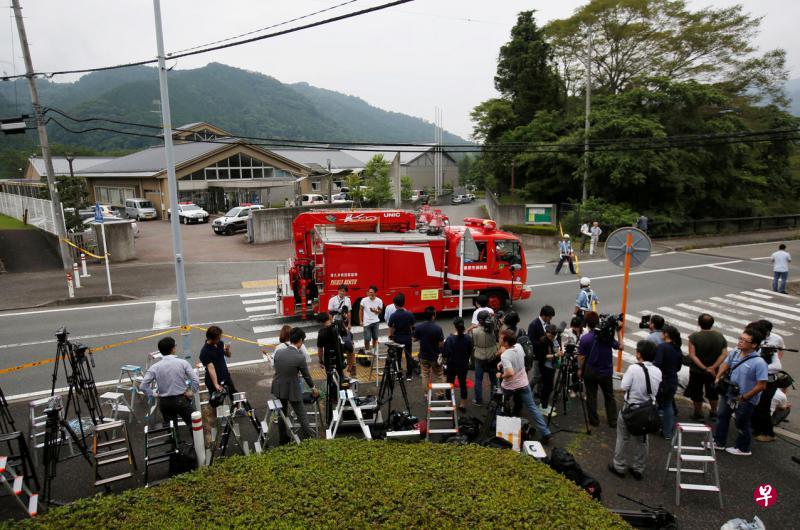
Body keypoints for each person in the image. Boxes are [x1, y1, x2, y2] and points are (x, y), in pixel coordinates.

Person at [609, 340, 662, 481]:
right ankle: (638, 468)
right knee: (643, 440)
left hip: (630, 409)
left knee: (623, 438)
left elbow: (624, 386)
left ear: (639, 354)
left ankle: (619, 466)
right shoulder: (658, 371)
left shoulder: (633, 368)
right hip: (647, 411)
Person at [712, 326, 769, 456]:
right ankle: (718, 442)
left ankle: (744, 448)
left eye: (744, 340)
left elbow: (761, 386)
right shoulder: (735, 352)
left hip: (745, 398)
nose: (740, 342)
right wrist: (718, 376)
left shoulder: (759, 362)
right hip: (729, 392)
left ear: (754, 344)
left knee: (742, 422)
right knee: (721, 416)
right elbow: (726, 364)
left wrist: (744, 397)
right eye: (740, 338)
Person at [496, 329, 553, 444]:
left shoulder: (505, 355)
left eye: (501, 338)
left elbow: (510, 372)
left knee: (499, 402)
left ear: (506, 342)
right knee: (533, 408)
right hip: (523, 383)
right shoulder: (518, 346)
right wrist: (503, 364)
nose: (499, 339)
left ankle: (501, 426)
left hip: (510, 386)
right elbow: (517, 358)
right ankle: (546, 433)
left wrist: (501, 374)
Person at [271, 328, 319, 444]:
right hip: (292, 388)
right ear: (301, 340)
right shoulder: (299, 357)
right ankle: (312, 438)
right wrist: (313, 388)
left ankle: (283, 439)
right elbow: (306, 376)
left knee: (282, 414)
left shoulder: (279, 352)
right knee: (301, 414)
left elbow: (276, 366)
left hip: (278, 386)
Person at [141, 337, 199, 429]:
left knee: (171, 428)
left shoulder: (154, 367)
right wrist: (192, 391)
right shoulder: (183, 363)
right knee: (194, 424)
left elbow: (143, 386)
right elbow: (195, 379)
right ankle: (196, 442)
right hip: (181, 399)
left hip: (165, 402)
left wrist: (154, 394)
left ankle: (175, 442)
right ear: (173, 349)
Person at [578, 311, 620, 428]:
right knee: (609, 396)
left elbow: (581, 357)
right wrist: (618, 331)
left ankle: (594, 421)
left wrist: (580, 369)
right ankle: (613, 421)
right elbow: (620, 346)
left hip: (590, 371)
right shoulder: (607, 336)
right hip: (606, 372)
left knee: (591, 396)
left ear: (587, 324)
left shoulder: (585, 338)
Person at [687, 314, 728, 421]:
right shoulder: (720, 336)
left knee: (697, 392)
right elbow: (724, 354)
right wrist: (713, 367)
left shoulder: (694, 337)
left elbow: (692, 355)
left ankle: (698, 413)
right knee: (712, 391)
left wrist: (704, 368)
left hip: (697, 371)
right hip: (714, 372)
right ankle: (714, 412)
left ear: (699, 323)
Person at [751, 320, 783, 442]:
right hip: (757, 379)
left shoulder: (771, 347)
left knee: (763, 407)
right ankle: (755, 427)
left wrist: (758, 369)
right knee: (756, 405)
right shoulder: (757, 343)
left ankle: (769, 433)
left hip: (768, 381)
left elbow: (777, 366)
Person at [654, 325, 682, 440]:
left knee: (656, 404)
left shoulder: (662, 347)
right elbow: (679, 367)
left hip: (662, 381)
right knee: (668, 405)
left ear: (666, 334)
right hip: (672, 380)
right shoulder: (677, 348)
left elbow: (657, 363)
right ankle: (667, 432)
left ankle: (653, 426)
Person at [414, 306, 445, 396]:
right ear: (433, 315)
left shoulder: (419, 327)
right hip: (435, 356)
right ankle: (440, 393)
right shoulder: (438, 328)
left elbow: (414, 339)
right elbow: (441, 344)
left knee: (425, 375)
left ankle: (426, 394)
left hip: (423, 356)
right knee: (439, 375)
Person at [444, 317, 473, 411]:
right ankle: (462, 404)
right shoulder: (468, 338)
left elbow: (446, 353)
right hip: (463, 364)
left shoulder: (450, 338)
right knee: (462, 383)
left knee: (449, 383)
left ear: (455, 326)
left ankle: (449, 404)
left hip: (452, 364)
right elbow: (470, 351)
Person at [199, 325, 236, 397]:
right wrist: (216, 384)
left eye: (220, 338)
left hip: (225, 376)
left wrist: (227, 350)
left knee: (234, 396)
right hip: (213, 380)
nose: (219, 340)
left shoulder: (220, 343)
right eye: (217, 338)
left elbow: (228, 355)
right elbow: (211, 368)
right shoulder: (204, 351)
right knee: (217, 401)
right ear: (210, 338)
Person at [471, 309, 498, 406]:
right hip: (492, 356)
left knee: (478, 379)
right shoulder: (494, 330)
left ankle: (478, 400)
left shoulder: (475, 331)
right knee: (493, 380)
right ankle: (493, 400)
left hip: (479, 356)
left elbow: (473, 343)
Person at [527, 305, 555, 396]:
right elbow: (531, 341)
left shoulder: (548, 323)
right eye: (549, 317)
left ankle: (539, 393)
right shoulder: (534, 325)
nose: (550, 319)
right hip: (537, 355)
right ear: (543, 315)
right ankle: (526, 392)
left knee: (542, 376)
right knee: (536, 376)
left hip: (545, 354)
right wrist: (542, 340)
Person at [387, 294, 415, 381]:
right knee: (408, 356)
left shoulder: (393, 315)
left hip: (397, 339)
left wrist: (391, 336)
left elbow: (391, 327)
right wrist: (412, 335)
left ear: (395, 305)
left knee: (398, 357)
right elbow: (413, 326)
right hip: (407, 339)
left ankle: (399, 375)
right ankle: (409, 375)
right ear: (404, 303)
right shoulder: (409, 314)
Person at [534, 324, 561, 414]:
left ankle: (544, 404)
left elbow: (556, 349)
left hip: (552, 366)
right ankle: (543, 406)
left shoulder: (554, 340)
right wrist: (555, 355)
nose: (551, 337)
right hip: (546, 367)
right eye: (549, 335)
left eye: (553, 336)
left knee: (549, 387)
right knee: (547, 387)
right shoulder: (543, 342)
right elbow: (543, 356)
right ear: (546, 333)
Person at [359, 286, 383, 356]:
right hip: (367, 322)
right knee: (367, 338)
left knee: (375, 337)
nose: (370, 294)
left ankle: (374, 350)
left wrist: (376, 311)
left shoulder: (379, 301)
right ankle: (366, 350)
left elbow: (380, 311)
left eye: (372, 292)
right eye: (369, 292)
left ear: (375, 293)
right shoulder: (364, 300)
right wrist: (361, 320)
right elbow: (360, 310)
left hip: (376, 321)